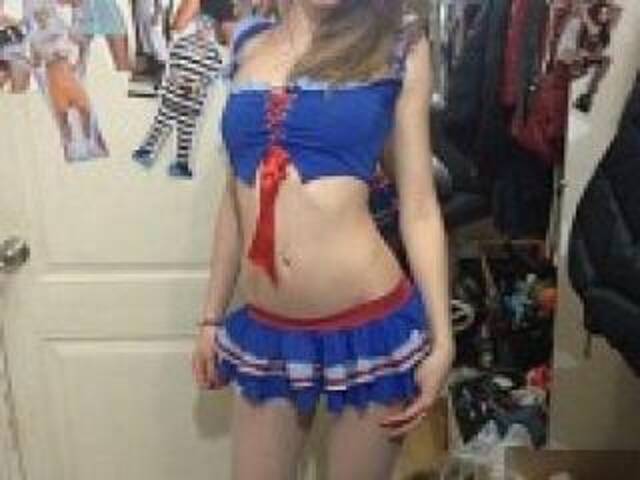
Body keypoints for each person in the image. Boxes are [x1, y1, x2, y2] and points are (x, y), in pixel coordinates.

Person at [191, 1, 454, 479]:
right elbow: (234, 199)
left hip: (369, 331)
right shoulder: (247, 42)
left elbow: (418, 206)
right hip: (268, 334)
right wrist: (211, 317)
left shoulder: (397, 43)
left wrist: (443, 341)